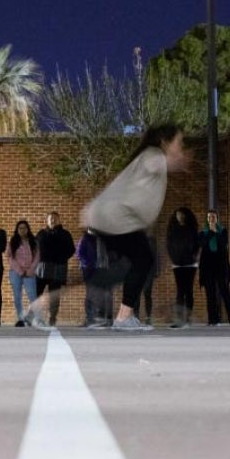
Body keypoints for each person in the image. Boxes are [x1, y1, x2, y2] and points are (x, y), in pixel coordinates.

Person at [82, 124, 188, 331]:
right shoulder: (153, 154)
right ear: (165, 142)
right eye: (179, 142)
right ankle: (123, 316)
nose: (181, 146)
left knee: (135, 262)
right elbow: (154, 164)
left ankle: (102, 289)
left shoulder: (145, 157)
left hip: (106, 217)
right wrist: (173, 161)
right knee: (143, 259)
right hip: (115, 217)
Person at [198, 210, 230, 326]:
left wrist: (216, 233)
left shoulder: (223, 231)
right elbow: (201, 244)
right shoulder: (203, 232)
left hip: (220, 265)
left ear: (217, 218)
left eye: (213, 217)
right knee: (210, 293)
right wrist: (210, 232)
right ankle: (213, 320)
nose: (211, 219)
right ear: (207, 219)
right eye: (209, 217)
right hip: (208, 266)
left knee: (225, 292)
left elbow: (224, 243)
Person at [33, 211, 75, 327]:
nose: (53, 220)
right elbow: (34, 249)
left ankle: (52, 318)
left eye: (55, 218)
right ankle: (38, 318)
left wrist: (61, 258)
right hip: (41, 268)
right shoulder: (41, 234)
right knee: (37, 294)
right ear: (46, 220)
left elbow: (71, 250)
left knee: (54, 296)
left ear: (59, 220)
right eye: (51, 218)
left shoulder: (65, 234)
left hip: (58, 268)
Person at [166, 207, 199, 328]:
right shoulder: (173, 230)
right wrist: (174, 258)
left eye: (181, 215)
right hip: (177, 264)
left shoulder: (192, 229)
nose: (179, 217)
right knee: (180, 291)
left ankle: (187, 319)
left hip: (190, 264)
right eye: (177, 215)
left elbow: (196, 245)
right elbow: (169, 246)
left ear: (185, 216)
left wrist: (192, 256)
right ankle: (179, 320)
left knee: (188, 291)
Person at [77, 228, 112, 328]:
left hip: (104, 270)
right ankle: (90, 319)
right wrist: (88, 264)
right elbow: (79, 253)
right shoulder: (85, 238)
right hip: (90, 271)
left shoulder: (106, 238)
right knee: (90, 295)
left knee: (106, 294)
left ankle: (107, 319)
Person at [7, 220, 39, 327]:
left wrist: (30, 271)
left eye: (24, 228)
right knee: (17, 296)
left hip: (30, 272)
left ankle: (30, 318)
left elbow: (37, 257)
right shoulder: (12, 242)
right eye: (20, 228)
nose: (22, 230)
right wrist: (20, 271)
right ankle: (20, 319)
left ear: (28, 229)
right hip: (15, 272)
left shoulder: (33, 241)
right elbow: (10, 258)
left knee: (32, 296)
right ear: (17, 230)